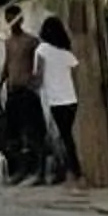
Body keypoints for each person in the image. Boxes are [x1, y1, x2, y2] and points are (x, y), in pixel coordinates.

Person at [0, 6, 44, 185]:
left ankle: (39, 171)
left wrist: (36, 80)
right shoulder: (8, 42)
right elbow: (7, 63)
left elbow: (41, 61)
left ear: (21, 19)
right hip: (12, 91)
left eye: (15, 19)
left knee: (32, 132)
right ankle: (20, 170)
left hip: (27, 92)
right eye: (9, 19)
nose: (12, 23)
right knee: (14, 134)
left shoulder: (31, 41)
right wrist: (1, 81)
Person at [35, 13, 82, 183]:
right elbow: (75, 75)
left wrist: (32, 84)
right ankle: (72, 169)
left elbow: (39, 76)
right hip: (71, 99)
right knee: (66, 135)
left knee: (62, 136)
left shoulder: (42, 50)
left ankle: (71, 170)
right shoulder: (66, 53)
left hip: (55, 100)